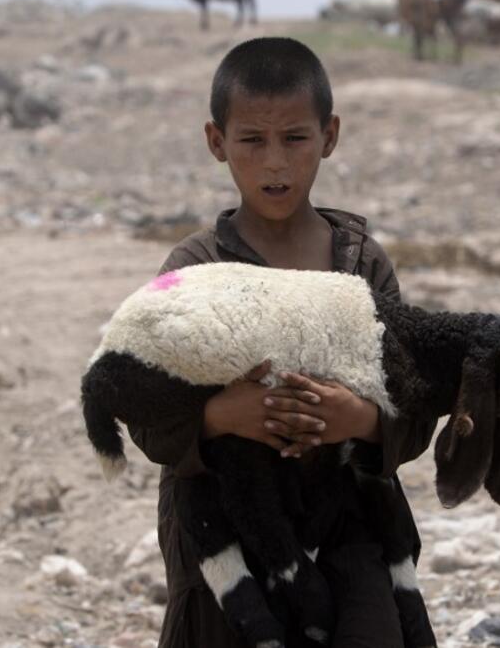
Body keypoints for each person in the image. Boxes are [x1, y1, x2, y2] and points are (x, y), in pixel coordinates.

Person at [138, 37, 439, 647]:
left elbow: (410, 404)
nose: (275, 162)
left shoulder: (360, 266)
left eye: (295, 139)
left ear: (328, 136)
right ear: (216, 142)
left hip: (350, 528)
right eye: (252, 140)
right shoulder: (195, 268)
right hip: (226, 531)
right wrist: (223, 416)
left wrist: (355, 417)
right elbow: (146, 410)